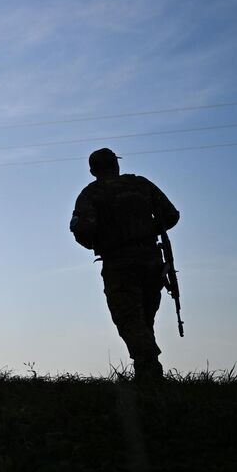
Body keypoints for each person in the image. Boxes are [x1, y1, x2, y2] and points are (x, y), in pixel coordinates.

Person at [70, 147, 180, 381]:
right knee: (144, 317)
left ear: (92, 170)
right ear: (116, 165)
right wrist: (145, 231)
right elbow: (171, 215)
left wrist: (106, 240)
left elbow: (84, 232)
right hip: (151, 262)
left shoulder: (91, 194)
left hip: (119, 265)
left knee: (129, 319)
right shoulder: (141, 185)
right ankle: (147, 373)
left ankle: (150, 371)